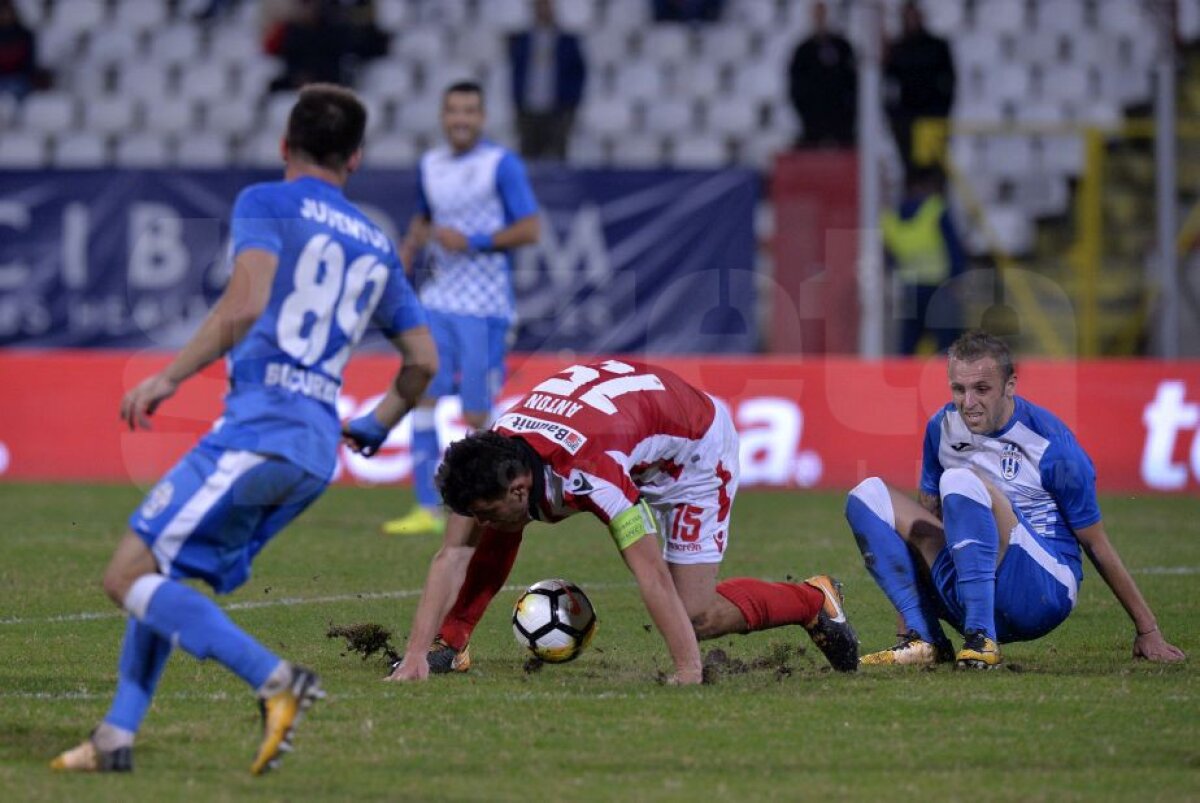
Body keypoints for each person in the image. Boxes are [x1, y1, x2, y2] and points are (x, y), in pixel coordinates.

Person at [50, 84, 437, 774]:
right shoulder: (378, 245)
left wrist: (169, 375)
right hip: (315, 451)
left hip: (261, 430)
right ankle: (115, 737)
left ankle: (274, 677)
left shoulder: (267, 202)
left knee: (125, 574)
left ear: (285, 146)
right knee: (161, 575)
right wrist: (378, 425)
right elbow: (423, 362)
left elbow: (247, 299)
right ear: (356, 158)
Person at [385, 359, 859, 685]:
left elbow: (649, 572)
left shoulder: (592, 476)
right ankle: (451, 644)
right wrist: (414, 654)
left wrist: (688, 669)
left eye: (486, 510)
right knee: (489, 532)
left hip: (693, 455)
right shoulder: (498, 452)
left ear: (518, 489)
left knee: (694, 614)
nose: (479, 519)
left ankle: (811, 599)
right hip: (628, 424)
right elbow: (451, 555)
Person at [845, 330, 1186, 669]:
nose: (968, 403)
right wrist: (909, 620)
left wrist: (1148, 629)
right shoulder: (942, 427)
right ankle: (923, 640)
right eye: (959, 389)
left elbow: (1096, 544)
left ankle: (981, 638)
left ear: (1010, 386)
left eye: (982, 389)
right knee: (867, 497)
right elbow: (928, 521)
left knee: (959, 479)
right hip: (970, 581)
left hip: (1041, 589)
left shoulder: (1054, 447)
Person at [380, 80, 540, 537]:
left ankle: (492, 504)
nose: (461, 119)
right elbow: (425, 215)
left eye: (470, 111)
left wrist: (475, 241)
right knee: (423, 395)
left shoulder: (500, 165)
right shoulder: (431, 165)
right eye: (454, 111)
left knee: (476, 414)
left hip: (485, 307)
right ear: (443, 116)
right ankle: (426, 507)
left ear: (482, 117)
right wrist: (406, 252)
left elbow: (529, 229)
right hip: (438, 300)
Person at [881, 165, 964, 354]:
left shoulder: (890, 219)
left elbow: (890, 257)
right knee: (947, 344)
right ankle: (947, 382)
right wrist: (957, 277)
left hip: (910, 288)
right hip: (940, 286)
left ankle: (904, 381)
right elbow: (954, 248)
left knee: (908, 343)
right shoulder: (935, 210)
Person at [508, 0, 587, 161]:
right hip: (528, 109)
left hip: (557, 110)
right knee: (528, 158)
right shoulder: (523, 40)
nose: (543, 11)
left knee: (557, 157)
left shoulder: (567, 41)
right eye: (540, 6)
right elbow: (516, 72)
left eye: (547, 6)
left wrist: (570, 102)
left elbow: (578, 73)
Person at [883, 0, 955, 172]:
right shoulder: (896, 48)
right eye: (908, 16)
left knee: (932, 169)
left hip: (931, 117)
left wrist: (941, 111)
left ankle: (934, 199)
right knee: (910, 170)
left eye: (915, 16)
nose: (912, 20)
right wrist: (895, 116)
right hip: (906, 120)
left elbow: (949, 81)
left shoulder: (937, 46)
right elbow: (889, 85)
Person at [787, 1, 856, 148]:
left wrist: (848, 108)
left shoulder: (843, 47)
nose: (820, 18)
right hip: (813, 120)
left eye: (823, 14)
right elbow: (795, 85)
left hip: (842, 118)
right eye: (817, 14)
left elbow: (853, 81)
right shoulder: (803, 50)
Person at [0, 0, 36, 102]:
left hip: (18, 78)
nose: (5, 16)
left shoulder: (24, 35)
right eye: (2, 13)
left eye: (7, 13)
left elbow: (30, 61)